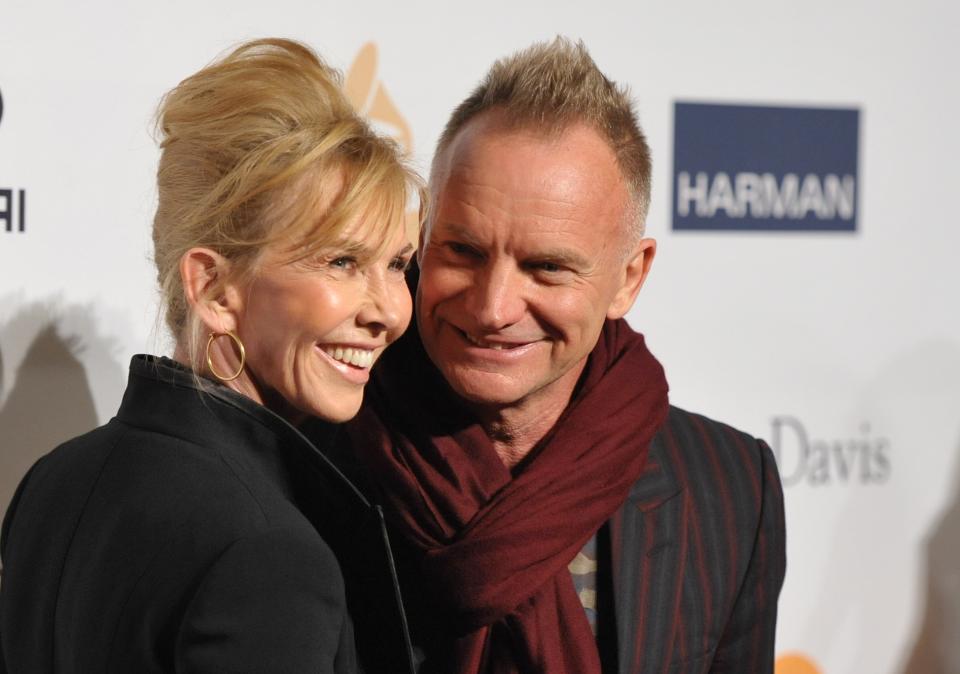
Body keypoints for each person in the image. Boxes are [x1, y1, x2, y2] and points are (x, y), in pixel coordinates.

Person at [347, 38, 786, 673]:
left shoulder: (731, 486)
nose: (493, 306)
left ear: (628, 278)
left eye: (547, 267)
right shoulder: (318, 457)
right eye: (463, 251)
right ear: (422, 238)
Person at [0, 39, 420, 673]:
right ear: (215, 289)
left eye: (396, 265)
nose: (388, 310)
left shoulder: (52, 481)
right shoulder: (271, 552)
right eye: (343, 261)